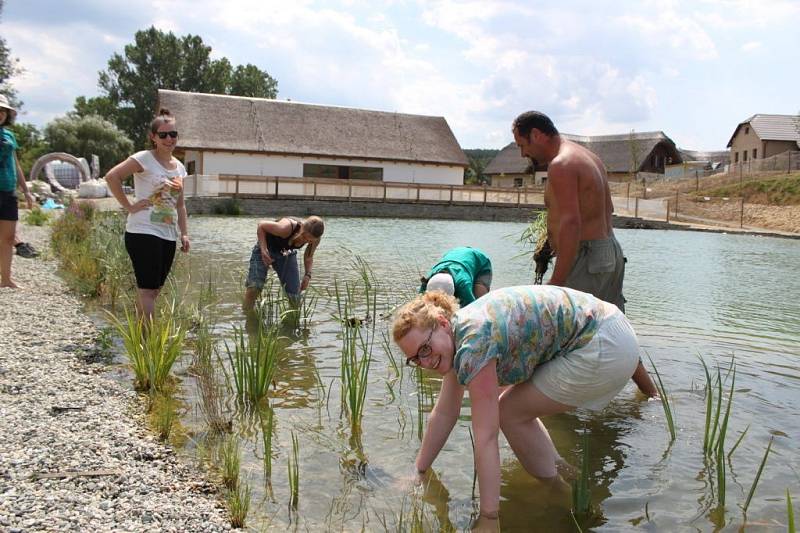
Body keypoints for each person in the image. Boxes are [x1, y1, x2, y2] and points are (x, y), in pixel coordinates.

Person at [392, 285, 656, 525]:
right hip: (612, 327)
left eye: (425, 350)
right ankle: (565, 473)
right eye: (415, 359)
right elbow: (444, 413)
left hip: (602, 346)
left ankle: (562, 493)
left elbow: (486, 437)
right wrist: (419, 471)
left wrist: (489, 517)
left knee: (508, 412)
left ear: (441, 323)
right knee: (517, 406)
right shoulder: (459, 332)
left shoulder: (473, 344)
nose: (424, 363)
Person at [512, 111, 658, 396]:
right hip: (610, 252)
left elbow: (571, 223)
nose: (523, 153)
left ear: (537, 135)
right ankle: (652, 396)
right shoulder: (588, 157)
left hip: (587, 258)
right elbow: (604, 211)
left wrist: (557, 281)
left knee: (557, 332)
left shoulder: (562, 164)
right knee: (616, 333)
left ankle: (542, 413)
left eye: (522, 144)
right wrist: (548, 242)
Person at [105, 108, 189, 319]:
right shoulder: (144, 158)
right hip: (143, 231)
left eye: (173, 134)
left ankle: (141, 335)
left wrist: (184, 233)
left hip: (168, 234)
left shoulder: (179, 167)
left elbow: (180, 205)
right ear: (153, 137)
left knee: (155, 290)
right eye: (163, 135)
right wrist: (129, 206)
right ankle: (149, 346)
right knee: (148, 291)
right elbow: (112, 177)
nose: (169, 139)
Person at [242, 216, 324, 312]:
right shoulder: (286, 228)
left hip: (285, 253)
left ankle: (291, 323)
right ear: (302, 228)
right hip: (266, 247)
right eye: (304, 236)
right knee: (254, 287)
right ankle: (246, 314)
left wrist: (307, 275)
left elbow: (309, 256)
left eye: (309, 240)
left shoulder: (315, 240)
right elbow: (261, 226)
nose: (305, 241)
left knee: (295, 298)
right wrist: (264, 250)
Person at [0, 95, 35, 288]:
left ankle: (6, 279)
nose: (0, 114)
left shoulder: (9, 136)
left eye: (2, 111)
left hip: (8, 191)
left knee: (7, 238)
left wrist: (26, 190)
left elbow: (16, 164)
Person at [419, 246, 492, 306]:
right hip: (455, 254)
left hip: (480, 263)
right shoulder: (426, 282)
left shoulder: (463, 285)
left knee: (479, 303)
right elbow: (417, 307)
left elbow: (473, 310)